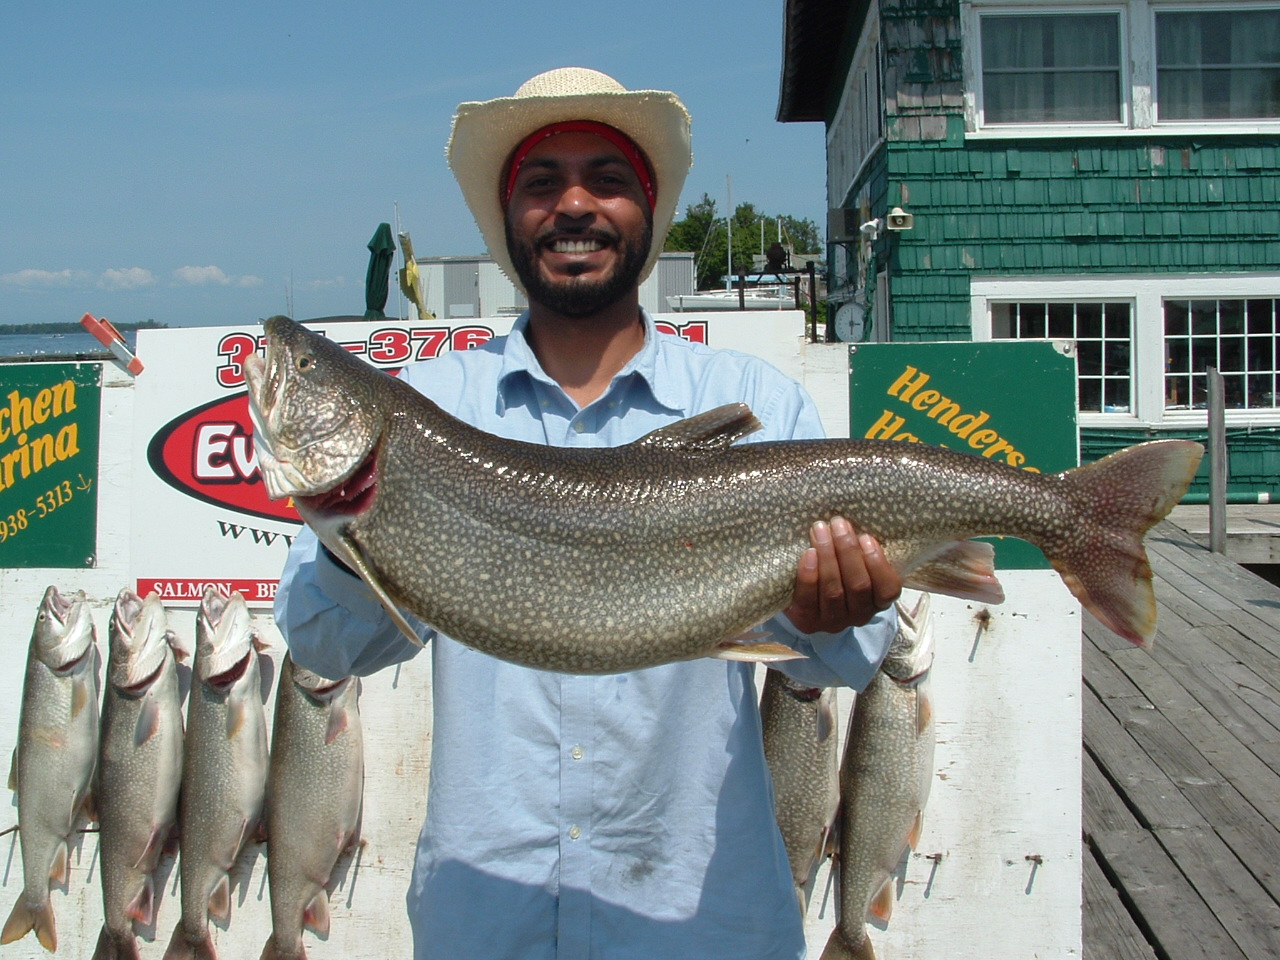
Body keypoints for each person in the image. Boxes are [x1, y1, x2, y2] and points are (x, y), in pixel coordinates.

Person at [274, 67, 903, 960]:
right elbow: (322, 646)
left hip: (706, 923)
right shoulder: (430, 410)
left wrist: (831, 615)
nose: (574, 205)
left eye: (607, 179)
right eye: (541, 182)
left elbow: (852, 658)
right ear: (508, 220)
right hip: (484, 923)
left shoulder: (754, 400)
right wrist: (352, 534)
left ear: (648, 211)